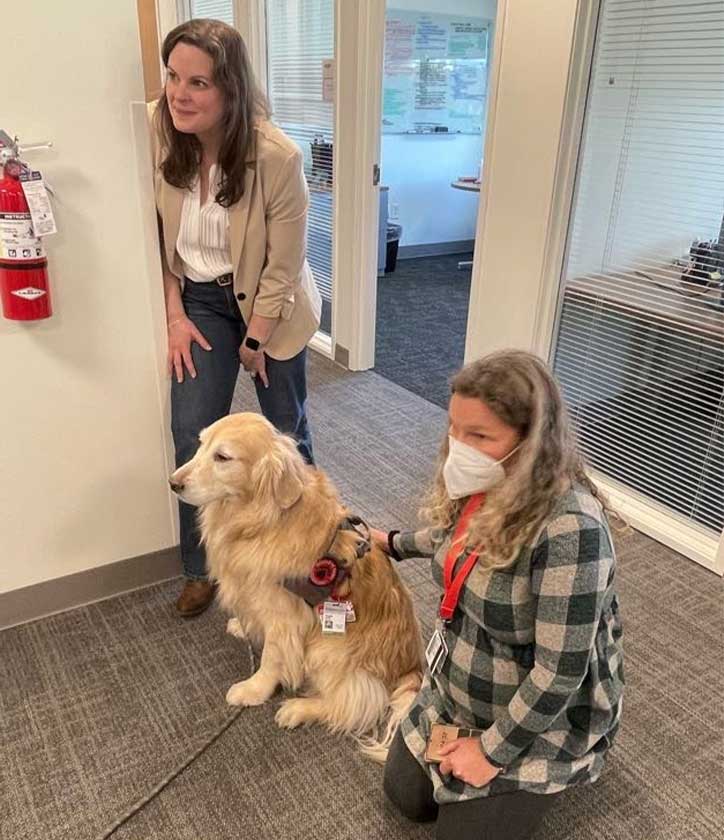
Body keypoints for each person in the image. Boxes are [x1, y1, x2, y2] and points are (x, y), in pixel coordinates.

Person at [372, 350, 624, 840]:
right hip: (460, 680)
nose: (457, 447)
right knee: (406, 798)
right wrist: (394, 543)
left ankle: (549, 771)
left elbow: (559, 673)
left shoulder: (573, 531)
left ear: (531, 442)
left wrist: (491, 751)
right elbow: (449, 540)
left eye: (479, 436)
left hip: (535, 704)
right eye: (453, 427)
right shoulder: (484, 483)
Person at [148, 19, 321, 617]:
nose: (179, 94)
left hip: (271, 309)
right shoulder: (157, 127)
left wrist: (256, 341)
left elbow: (283, 266)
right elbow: (158, 238)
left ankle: (313, 567)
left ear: (231, 92)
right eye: (173, 76)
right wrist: (173, 312)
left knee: (284, 438)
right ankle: (203, 570)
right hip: (198, 301)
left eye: (198, 82)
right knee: (192, 432)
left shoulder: (277, 156)